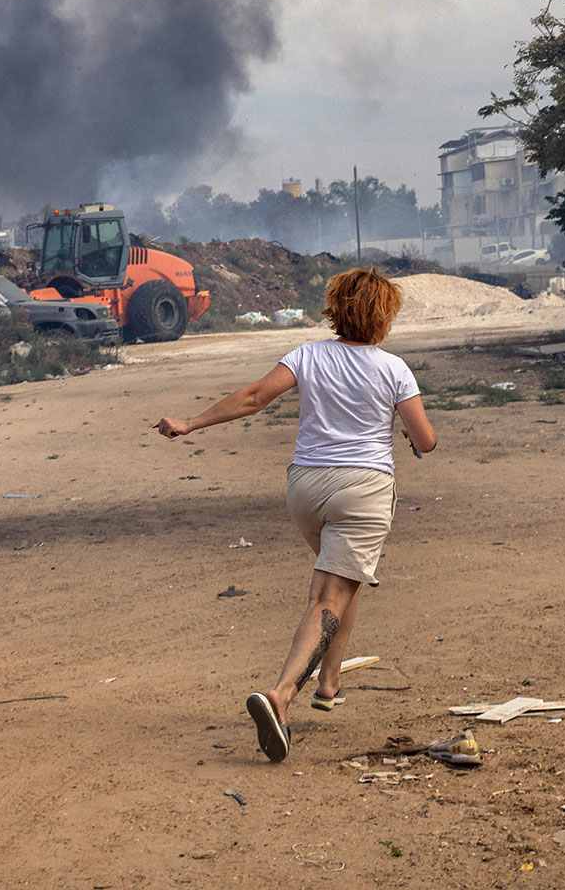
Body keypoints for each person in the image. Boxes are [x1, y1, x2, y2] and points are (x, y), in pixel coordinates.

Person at [153, 267, 436, 762]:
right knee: (331, 594)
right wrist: (409, 434)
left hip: (305, 489)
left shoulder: (307, 356)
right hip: (363, 490)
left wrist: (190, 423)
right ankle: (281, 696)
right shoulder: (393, 369)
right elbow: (426, 440)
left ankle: (329, 683)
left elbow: (254, 397)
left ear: (336, 309)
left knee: (340, 585)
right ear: (383, 316)